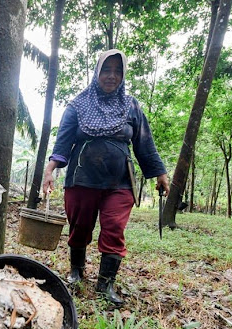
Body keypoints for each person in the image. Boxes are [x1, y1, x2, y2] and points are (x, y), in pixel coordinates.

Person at [42, 49, 169, 306]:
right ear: (97, 72)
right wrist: (50, 170)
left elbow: (145, 143)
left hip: (119, 181)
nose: (112, 76)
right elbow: (63, 143)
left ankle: (105, 284)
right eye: (106, 70)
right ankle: (76, 271)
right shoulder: (78, 105)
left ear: (123, 75)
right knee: (80, 227)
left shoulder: (131, 106)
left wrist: (160, 173)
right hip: (82, 178)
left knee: (114, 228)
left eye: (118, 71)